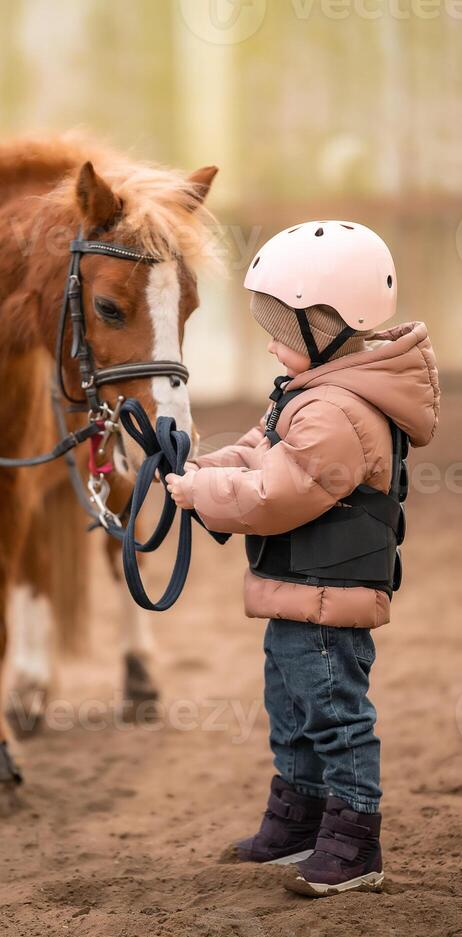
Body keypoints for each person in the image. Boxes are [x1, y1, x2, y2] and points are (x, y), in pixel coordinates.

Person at [165, 221, 439, 896]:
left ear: (330, 324)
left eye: (283, 326)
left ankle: (353, 843)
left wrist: (202, 491)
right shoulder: (310, 394)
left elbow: (272, 493)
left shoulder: (335, 412)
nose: (270, 341)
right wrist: (199, 469)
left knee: (335, 716)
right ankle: (299, 819)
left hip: (327, 597)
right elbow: (257, 453)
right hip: (299, 591)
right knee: (291, 710)